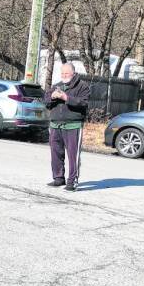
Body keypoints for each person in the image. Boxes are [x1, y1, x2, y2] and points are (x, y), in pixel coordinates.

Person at [44, 63, 90, 191]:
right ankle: (58, 178)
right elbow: (46, 101)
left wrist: (66, 97)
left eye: (66, 73)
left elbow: (84, 103)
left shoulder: (82, 86)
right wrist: (52, 97)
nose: (64, 76)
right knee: (56, 153)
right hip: (55, 125)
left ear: (73, 73)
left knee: (72, 155)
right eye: (62, 73)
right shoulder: (56, 86)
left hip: (73, 125)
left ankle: (72, 181)